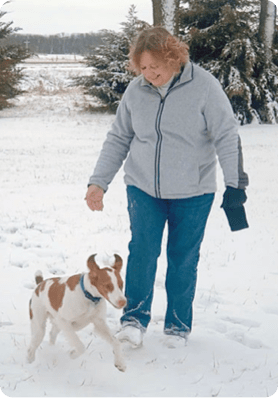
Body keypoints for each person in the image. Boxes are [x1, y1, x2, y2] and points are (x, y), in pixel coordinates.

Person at [85, 27, 249, 348]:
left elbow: (227, 136)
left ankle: (177, 326)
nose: (148, 74)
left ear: (172, 57)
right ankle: (133, 320)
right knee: (142, 253)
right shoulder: (136, 91)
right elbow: (119, 137)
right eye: (142, 68)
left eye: (154, 66)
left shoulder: (204, 87)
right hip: (143, 188)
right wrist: (98, 182)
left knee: (182, 258)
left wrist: (235, 184)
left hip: (194, 192)